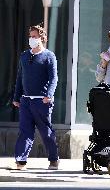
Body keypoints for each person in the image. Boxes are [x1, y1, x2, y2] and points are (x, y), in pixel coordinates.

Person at [12, 24, 59, 170]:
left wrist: (49, 95)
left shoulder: (49, 56)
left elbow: (53, 78)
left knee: (46, 132)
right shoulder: (25, 56)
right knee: (25, 131)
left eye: (34, 36)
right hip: (25, 100)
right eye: (30, 36)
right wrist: (16, 97)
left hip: (42, 101)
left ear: (42, 38)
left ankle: (53, 159)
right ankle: (21, 161)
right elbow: (20, 77)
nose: (31, 39)